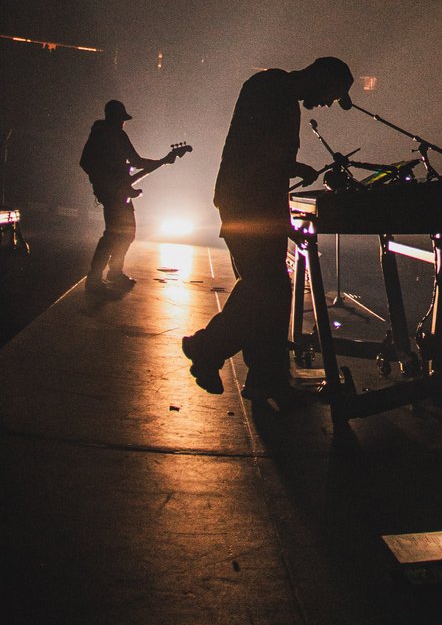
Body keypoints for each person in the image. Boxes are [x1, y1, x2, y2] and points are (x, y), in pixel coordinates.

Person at [182, 57, 354, 404]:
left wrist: (290, 171)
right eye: (331, 94)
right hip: (248, 204)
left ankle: (265, 378)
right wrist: (291, 167)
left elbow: (259, 151)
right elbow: (258, 151)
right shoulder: (270, 88)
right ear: (320, 75)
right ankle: (207, 347)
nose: (327, 103)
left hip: (253, 204)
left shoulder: (279, 95)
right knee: (268, 286)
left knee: (270, 292)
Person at [79, 100, 159, 296]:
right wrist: (161, 162)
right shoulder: (115, 135)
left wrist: (104, 183)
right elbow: (137, 161)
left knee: (121, 234)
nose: (124, 123)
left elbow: (85, 162)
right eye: (122, 119)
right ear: (116, 118)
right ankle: (97, 278)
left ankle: (111, 273)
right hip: (116, 194)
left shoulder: (98, 134)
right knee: (116, 235)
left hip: (116, 193)